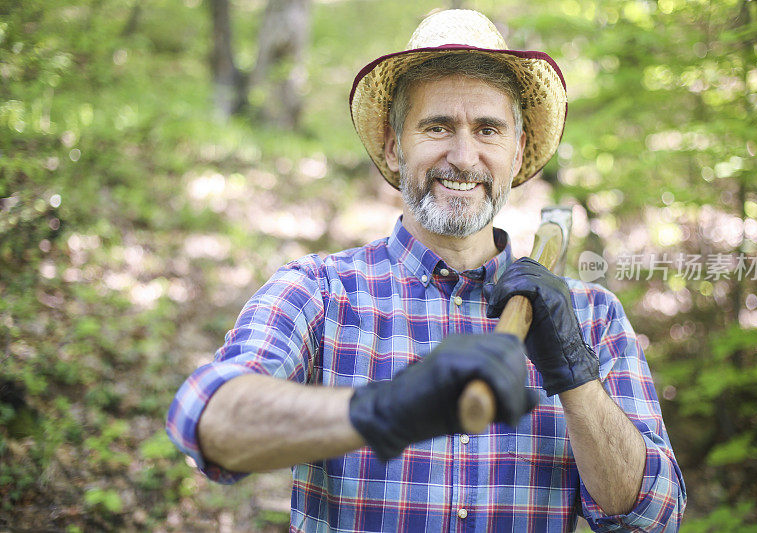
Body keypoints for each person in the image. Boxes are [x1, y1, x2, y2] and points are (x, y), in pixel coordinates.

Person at [167, 9, 686, 532]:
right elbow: (206, 421)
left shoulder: (591, 317)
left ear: (518, 150)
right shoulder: (319, 293)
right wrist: (385, 408)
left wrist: (576, 375)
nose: (464, 157)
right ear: (395, 149)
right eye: (437, 126)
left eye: (488, 130)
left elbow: (654, 519)